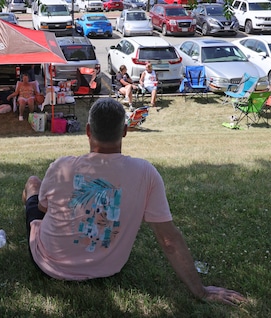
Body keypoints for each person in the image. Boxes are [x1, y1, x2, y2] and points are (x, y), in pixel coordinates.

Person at [21, 98, 247, 305]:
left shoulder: (61, 166)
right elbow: (168, 240)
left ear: (88, 131)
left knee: (33, 183)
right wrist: (202, 291)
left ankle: (30, 215)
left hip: (50, 264)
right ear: (125, 131)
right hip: (108, 268)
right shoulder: (146, 173)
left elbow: (43, 208)